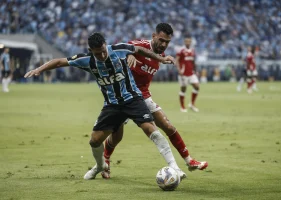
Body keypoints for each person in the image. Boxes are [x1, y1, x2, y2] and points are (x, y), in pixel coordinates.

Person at [24, 32, 186, 180]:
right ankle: (101, 166)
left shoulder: (117, 49)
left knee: (151, 130)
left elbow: (138, 49)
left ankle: (175, 168)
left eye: (103, 50)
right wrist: (40, 69)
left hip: (133, 99)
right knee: (94, 141)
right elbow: (59, 61)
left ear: (105, 45)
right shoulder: (86, 60)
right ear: (91, 51)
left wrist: (161, 58)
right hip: (112, 105)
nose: (102, 55)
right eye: (97, 53)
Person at [101, 23, 208, 179]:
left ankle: (189, 160)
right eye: (161, 40)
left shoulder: (161, 56)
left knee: (167, 126)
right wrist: (128, 54)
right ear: (153, 36)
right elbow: (117, 49)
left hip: (143, 96)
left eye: (167, 42)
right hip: (123, 97)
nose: (163, 44)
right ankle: (105, 161)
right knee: (117, 136)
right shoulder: (140, 45)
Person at [175, 35, 200, 112]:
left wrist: (195, 70)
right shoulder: (181, 50)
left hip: (191, 73)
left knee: (197, 87)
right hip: (183, 73)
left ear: (191, 42)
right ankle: (182, 107)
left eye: (189, 41)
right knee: (183, 89)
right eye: (186, 41)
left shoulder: (192, 50)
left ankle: (192, 104)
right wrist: (179, 70)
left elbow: (193, 61)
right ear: (184, 42)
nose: (188, 42)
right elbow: (177, 61)